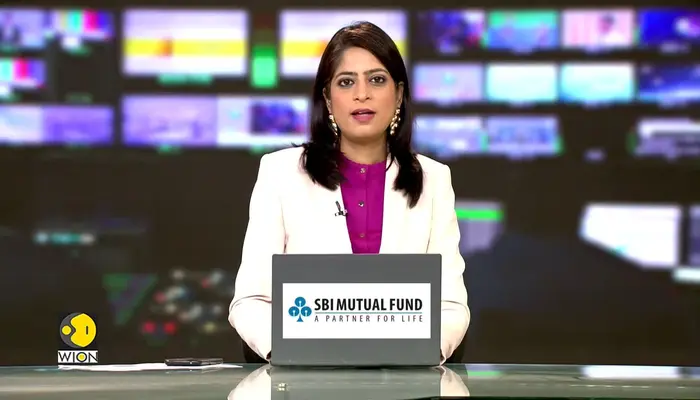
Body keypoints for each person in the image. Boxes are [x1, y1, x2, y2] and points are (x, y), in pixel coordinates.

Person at [228, 21, 470, 364]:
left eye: (377, 79)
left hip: (403, 379)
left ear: (398, 94)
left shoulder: (434, 179)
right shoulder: (280, 173)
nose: (362, 94)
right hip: (305, 379)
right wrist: (295, 353)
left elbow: (451, 306)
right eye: (346, 82)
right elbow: (250, 302)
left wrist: (418, 354)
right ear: (328, 98)